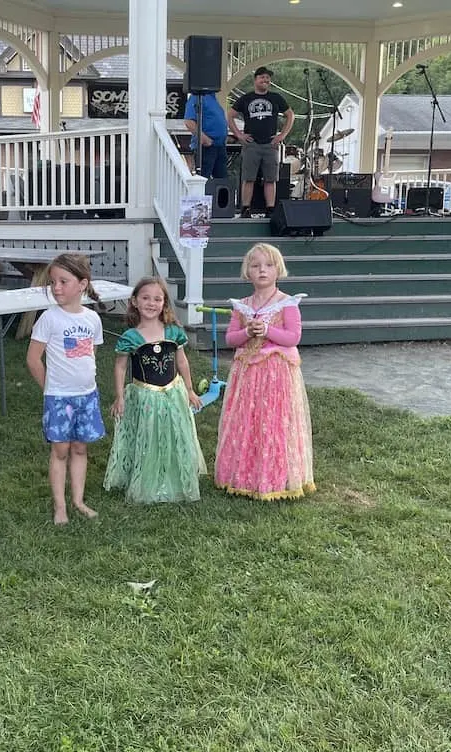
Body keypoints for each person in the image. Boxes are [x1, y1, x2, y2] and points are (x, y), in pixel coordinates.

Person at [215, 243, 315, 500]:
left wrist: (267, 331)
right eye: (256, 265)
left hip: (276, 373)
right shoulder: (242, 306)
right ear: (247, 271)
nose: (262, 270)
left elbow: (293, 336)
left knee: (274, 422)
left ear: (278, 270)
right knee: (249, 422)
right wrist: (247, 332)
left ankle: (276, 476)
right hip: (248, 373)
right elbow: (230, 339)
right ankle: (245, 473)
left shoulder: (287, 303)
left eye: (268, 265)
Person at [103, 277, 207, 503]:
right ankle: (148, 478)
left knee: (174, 433)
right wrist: (120, 396)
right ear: (135, 302)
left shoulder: (174, 332)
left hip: (173, 393)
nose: (151, 303)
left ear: (164, 303)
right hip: (145, 395)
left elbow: (182, 362)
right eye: (146, 298)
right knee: (149, 436)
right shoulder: (130, 337)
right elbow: (120, 367)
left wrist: (189, 390)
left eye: (157, 299)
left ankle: (175, 476)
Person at [26, 253, 105, 525]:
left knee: (80, 448)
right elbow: (33, 359)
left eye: (63, 281)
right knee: (60, 450)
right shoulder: (49, 318)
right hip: (59, 398)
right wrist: (50, 389)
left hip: (87, 395)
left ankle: (78, 500)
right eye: (53, 282)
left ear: (82, 284)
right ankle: (60, 506)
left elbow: (90, 354)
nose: (56, 288)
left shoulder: (93, 319)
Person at [228, 66, 294, 217]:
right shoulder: (246, 98)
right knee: (248, 178)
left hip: (270, 144)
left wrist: (282, 135)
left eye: (267, 78)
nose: (266, 80)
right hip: (251, 144)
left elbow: (290, 115)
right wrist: (239, 135)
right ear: (255, 80)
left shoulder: (275, 98)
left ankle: (270, 209)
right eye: (262, 77)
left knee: (270, 179)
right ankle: (245, 209)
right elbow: (230, 115)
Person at [183, 91, 230, 180]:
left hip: (219, 146)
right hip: (206, 146)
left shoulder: (213, 98)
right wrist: (203, 137)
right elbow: (189, 121)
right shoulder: (196, 96)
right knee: (203, 179)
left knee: (222, 182)